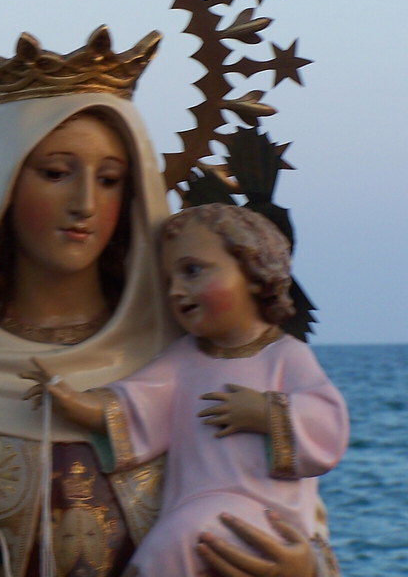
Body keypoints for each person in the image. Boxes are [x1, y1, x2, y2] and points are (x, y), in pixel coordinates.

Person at [0, 29, 340, 577]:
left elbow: (298, 525)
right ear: (1, 186)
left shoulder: (199, 360)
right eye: (54, 173)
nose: (85, 203)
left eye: (110, 179)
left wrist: (300, 569)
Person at [24, 204, 348, 576]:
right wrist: (74, 402)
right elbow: (137, 403)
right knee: (183, 534)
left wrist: (265, 412)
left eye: (192, 271)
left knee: (179, 538)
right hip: (195, 515)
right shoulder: (184, 360)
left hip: (265, 523)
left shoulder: (285, 356)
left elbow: (327, 423)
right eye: (168, 281)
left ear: (254, 272)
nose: (177, 291)